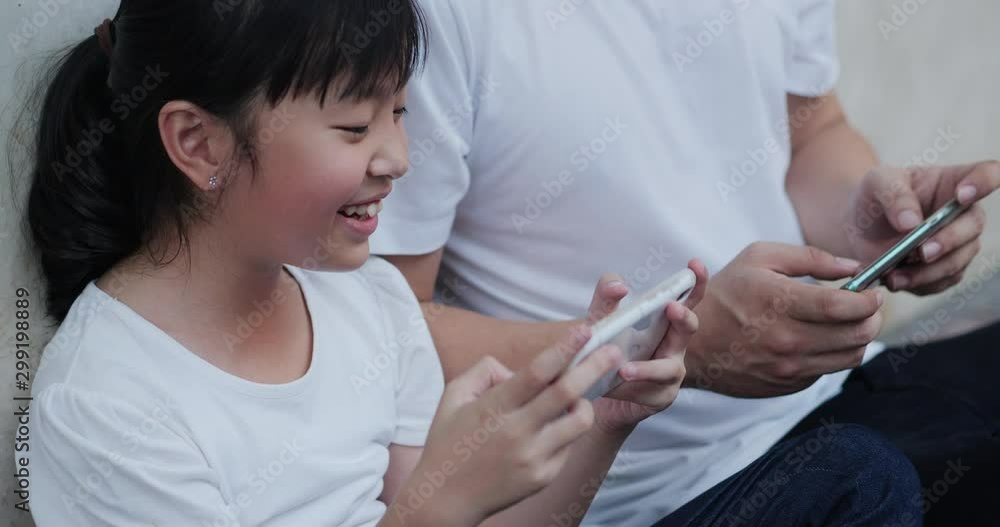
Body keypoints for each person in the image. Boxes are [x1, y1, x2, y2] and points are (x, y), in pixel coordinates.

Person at [15, 1, 711, 525]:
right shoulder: (104, 408)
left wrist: (608, 415)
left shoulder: (370, 301)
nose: (398, 158)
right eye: (354, 127)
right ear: (198, 143)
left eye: (399, 112)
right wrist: (440, 506)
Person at [370, 0, 1000, 525]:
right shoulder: (435, 18)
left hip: (825, 398)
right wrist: (675, 349)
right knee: (863, 476)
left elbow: (812, 132)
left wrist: (870, 222)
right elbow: (382, 325)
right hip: (630, 490)